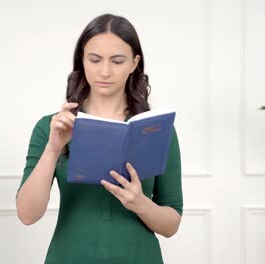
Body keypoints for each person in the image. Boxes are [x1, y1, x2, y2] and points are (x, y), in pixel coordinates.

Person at [16, 13, 183, 264]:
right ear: (82, 59)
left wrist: (140, 204)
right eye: (95, 59)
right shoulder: (52, 127)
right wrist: (53, 148)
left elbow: (171, 224)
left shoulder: (158, 130)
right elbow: (27, 215)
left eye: (117, 61)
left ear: (134, 63)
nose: (104, 71)